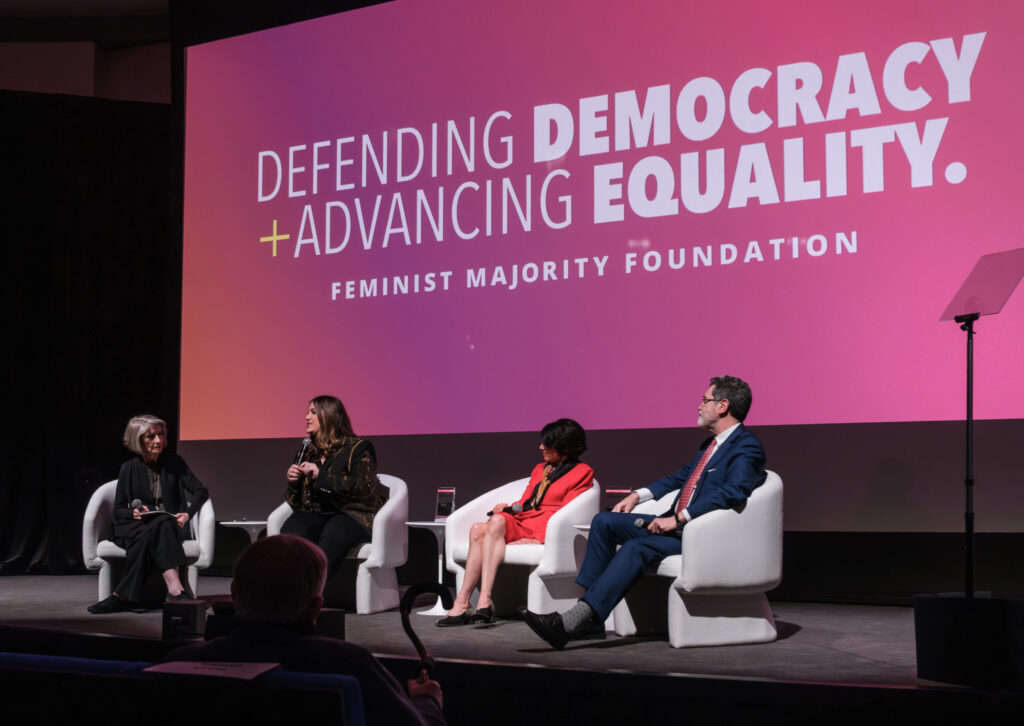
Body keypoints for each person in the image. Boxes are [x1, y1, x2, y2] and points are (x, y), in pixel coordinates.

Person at [520, 376, 767, 649]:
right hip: (678, 526)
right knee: (604, 521)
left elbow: (733, 492)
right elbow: (680, 477)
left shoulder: (746, 446)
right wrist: (638, 495)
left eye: (704, 400)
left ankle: (575, 621)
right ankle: (588, 617)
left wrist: (679, 518)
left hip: (699, 534)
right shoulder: (709, 446)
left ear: (722, 406)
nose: (699, 406)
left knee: (636, 548)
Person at [165, 535, 444, 726]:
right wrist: (427, 701)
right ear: (315, 608)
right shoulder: (349, 665)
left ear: (234, 595)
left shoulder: (178, 665)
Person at [437, 418, 594, 627]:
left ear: (563, 446)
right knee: (477, 529)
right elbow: (527, 502)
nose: (541, 447)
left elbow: (566, 514)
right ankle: (463, 601)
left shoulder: (582, 472)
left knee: (494, 524)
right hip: (525, 520)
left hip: (545, 526)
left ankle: (484, 599)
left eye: (546, 443)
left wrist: (539, 539)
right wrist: (508, 508)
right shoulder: (541, 469)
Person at [88, 414, 208, 613]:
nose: (158, 440)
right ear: (138, 439)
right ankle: (176, 592)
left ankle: (120, 597)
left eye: (161, 434)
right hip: (136, 526)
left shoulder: (175, 463)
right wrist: (133, 513)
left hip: (168, 526)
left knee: (163, 523)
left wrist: (187, 514)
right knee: (158, 527)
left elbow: (201, 491)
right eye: (151, 437)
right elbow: (119, 509)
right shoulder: (128, 468)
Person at [282, 395, 389, 579]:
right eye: (308, 412)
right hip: (317, 513)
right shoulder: (306, 451)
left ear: (328, 416)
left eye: (313, 412)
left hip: (352, 515)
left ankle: (313, 588)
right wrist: (294, 482)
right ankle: (291, 586)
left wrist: (321, 475)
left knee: (334, 533)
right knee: (292, 531)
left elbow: (363, 487)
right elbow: (295, 502)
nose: (307, 417)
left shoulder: (358, 448)